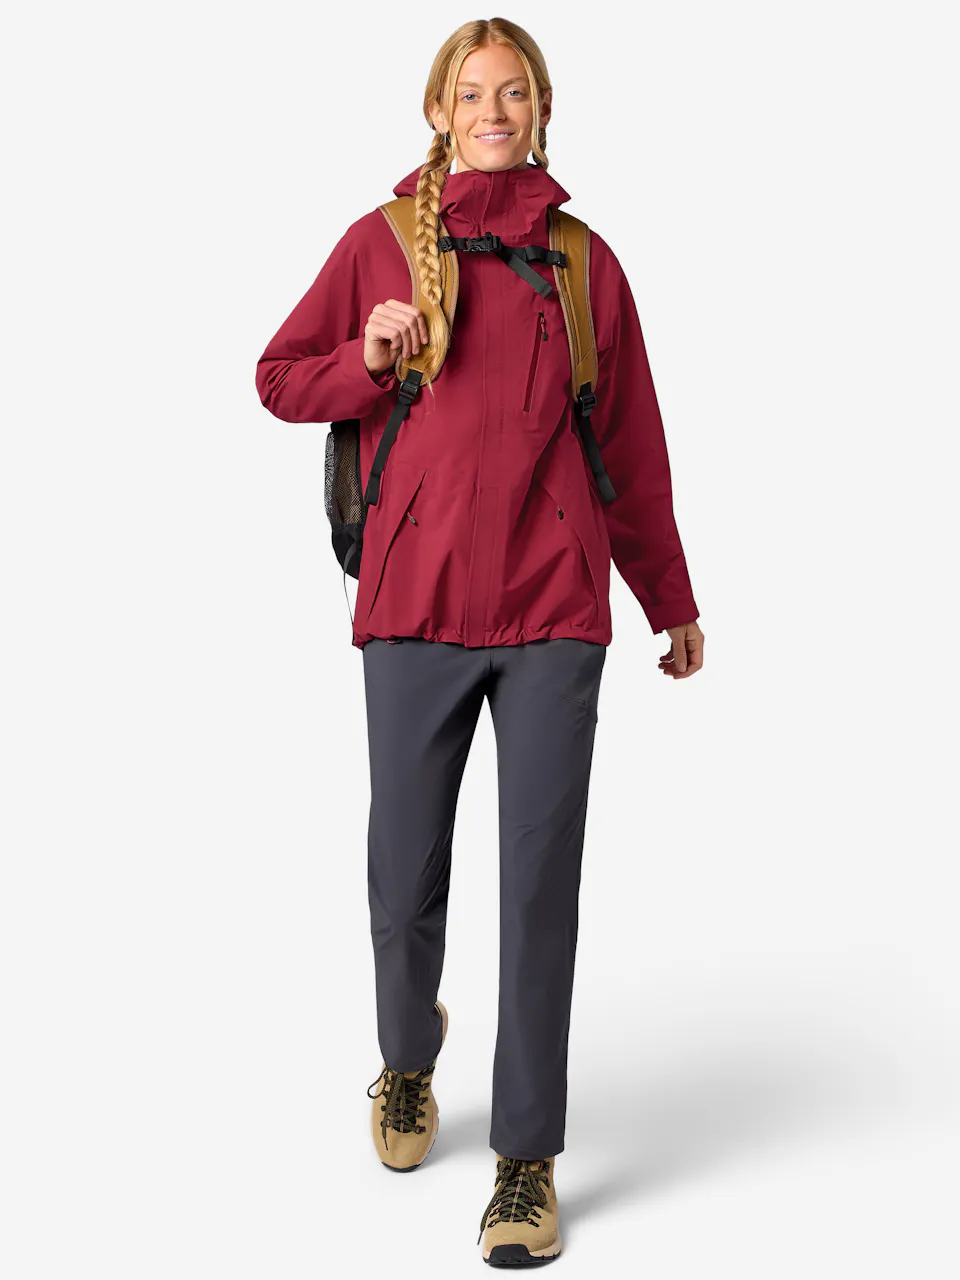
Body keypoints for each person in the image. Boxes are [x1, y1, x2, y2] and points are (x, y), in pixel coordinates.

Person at [256, 16, 704, 1267]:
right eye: (472, 93)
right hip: (413, 606)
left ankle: (526, 1157)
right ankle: (408, 1057)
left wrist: (668, 596)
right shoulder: (380, 240)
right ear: (439, 110)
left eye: (514, 93)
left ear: (542, 109)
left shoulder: (585, 263)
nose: (493, 112)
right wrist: (367, 355)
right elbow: (278, 376)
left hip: (554, 609)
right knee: (403, 881)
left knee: (539, 886)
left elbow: (632, 447)